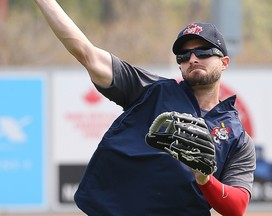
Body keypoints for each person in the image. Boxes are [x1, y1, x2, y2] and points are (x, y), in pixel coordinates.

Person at [35, 1, 256, 215]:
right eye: (184, 55)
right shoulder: (151, 90)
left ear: (225, 62)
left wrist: (204, 178)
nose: (193, 58)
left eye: (204, 51)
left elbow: (236, 207)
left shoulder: (238, 138)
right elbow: (88, 54)